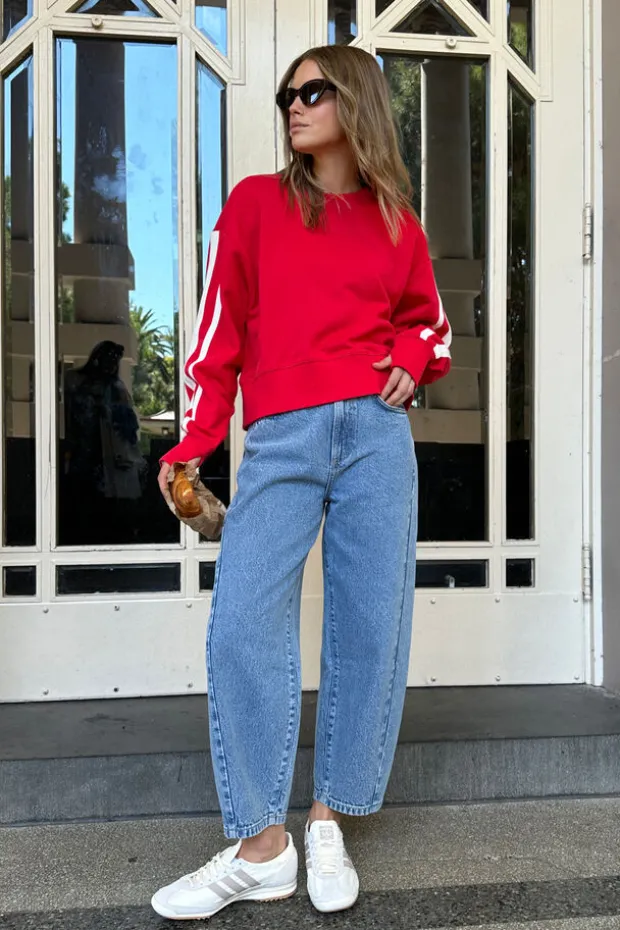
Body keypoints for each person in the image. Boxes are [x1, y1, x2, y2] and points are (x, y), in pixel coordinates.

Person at [152, 44, 451, 920]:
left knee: (369, 626)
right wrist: (194, 444)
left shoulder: (397, 222)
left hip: (375, 438)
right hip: (280, 436)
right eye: (288, 93)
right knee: (242, 623)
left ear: (355, 100)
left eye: (312, 91)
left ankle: (327, 821)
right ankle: (261, 848)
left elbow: (431, 327)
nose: (294, 103)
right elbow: (217, 338)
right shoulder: (256, 205)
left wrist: (410, 357)